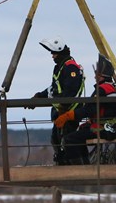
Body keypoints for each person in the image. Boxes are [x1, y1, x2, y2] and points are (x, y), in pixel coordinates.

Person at [54, 54, 116, 165]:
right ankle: (85, 164)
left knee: (70, 139)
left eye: (96, 73)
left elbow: (89, 110)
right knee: (80, 134)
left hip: (105, 128)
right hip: (111, 128)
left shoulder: (102, 89)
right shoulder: (112, 88)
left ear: (101, 75)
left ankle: (79, 168)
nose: (95, 76)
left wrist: (68, 115)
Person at [29, 36, 84, 165]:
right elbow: (54, 88)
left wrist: (63, 108)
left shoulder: (71, 68)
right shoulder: (61, 67)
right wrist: (39, 96)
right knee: (56, 139)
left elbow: (71, 91)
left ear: (60, 51)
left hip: (70, 111)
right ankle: (63, 163)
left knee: (69, 140)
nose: (52, 56)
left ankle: (78, 168)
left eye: (53, 53)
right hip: (61, 111)